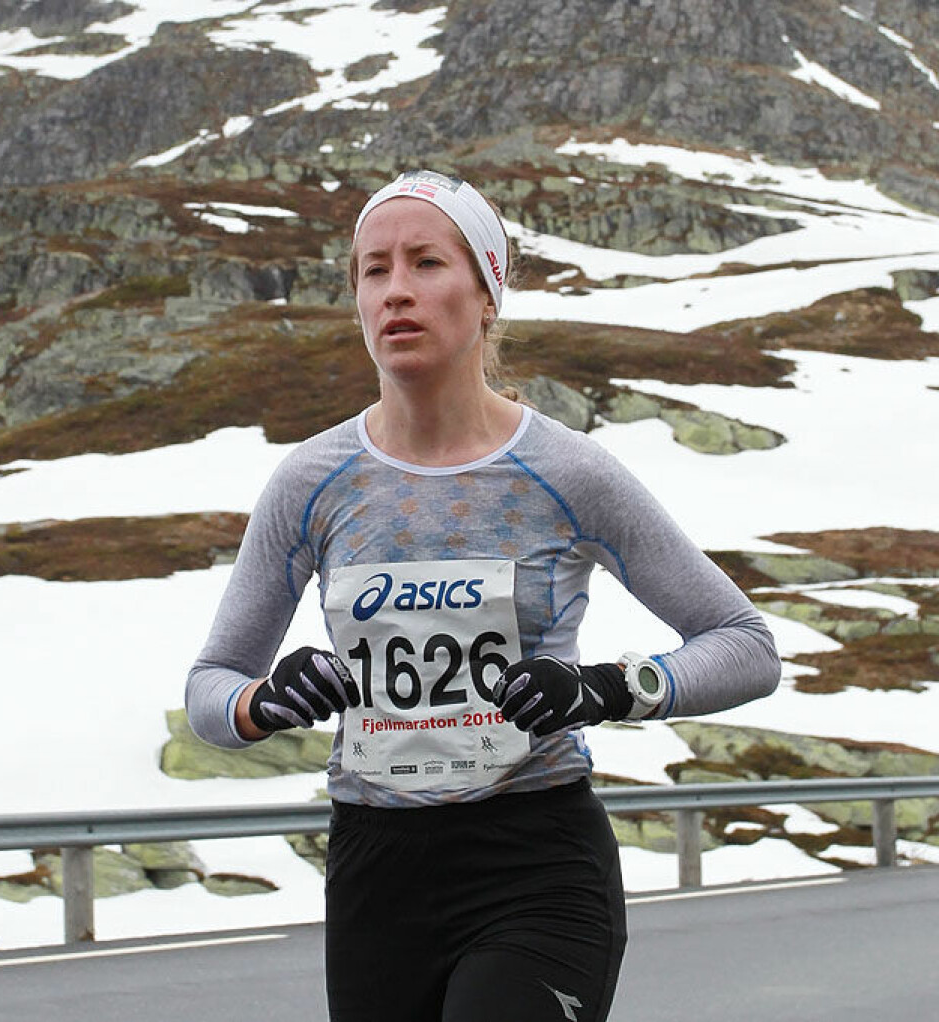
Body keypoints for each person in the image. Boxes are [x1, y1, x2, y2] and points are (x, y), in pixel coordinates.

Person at [186, 168, 782, 1022]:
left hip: (535, 860)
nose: (396, 291)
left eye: (426, 262)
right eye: (373, 269)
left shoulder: (567, 471)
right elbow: (209, 688)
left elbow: (746, 645)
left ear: (489, 291)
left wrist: (603, 690)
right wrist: (263, 700)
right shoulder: (312, 482)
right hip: (375, 873)